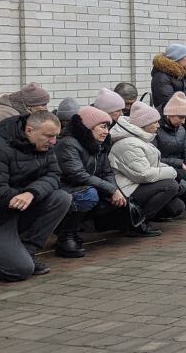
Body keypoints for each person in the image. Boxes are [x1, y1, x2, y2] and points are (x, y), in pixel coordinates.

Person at [0, 111, 70, 281]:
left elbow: (54, 175)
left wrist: (31, 193)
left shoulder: (46, 148)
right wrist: (23, 195)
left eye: (56, 136)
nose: (53, 141)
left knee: (61, 198)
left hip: (19, 209)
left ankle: (27, 251)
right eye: (48, 136)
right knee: (20, 270)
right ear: (29, 130)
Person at [55, 106, 134, 257]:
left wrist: (114, 191)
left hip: (85, 188)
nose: (107, 131)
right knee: (90, 194)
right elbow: (77, 175)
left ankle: (74, 229)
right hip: (64, 190)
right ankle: (65, 236)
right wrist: (111, 190)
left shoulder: (99, 144)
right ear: (88, 127)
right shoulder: (68, 144)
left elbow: (107, 172)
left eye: (108, 127)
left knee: (114, 199)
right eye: (102, 127)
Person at [109, 102, 186, 228]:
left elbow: (152, 165)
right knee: (170, 186)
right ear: (143, 124)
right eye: (154, 122)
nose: (158, 125)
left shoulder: (140, 138)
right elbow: (143, 175)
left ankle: (141, 214)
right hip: (127, 190)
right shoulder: (129, 144)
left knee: (176, 206)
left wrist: (174, 170)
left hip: (138, 185)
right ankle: (136, 223)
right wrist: (174, 172)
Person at [0, 83, 51, 157]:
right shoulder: (4, 114)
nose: (46, 109)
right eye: (43, 105)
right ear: (30, 106)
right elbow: (2, 145)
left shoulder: (17, 114)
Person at [156, 93, 186, 207]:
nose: (183, 122)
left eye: (185, 118)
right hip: (165, 169)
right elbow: (154, 158)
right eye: (180, 117)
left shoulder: (181, 130)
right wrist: (180, 164)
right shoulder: (156, 129)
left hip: (181, 170)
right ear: (169, 114)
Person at [150, 44, 186, 122]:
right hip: (170, 124)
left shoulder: (182, 74)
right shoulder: (161, 77)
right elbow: (170, 103)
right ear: (177, 57)